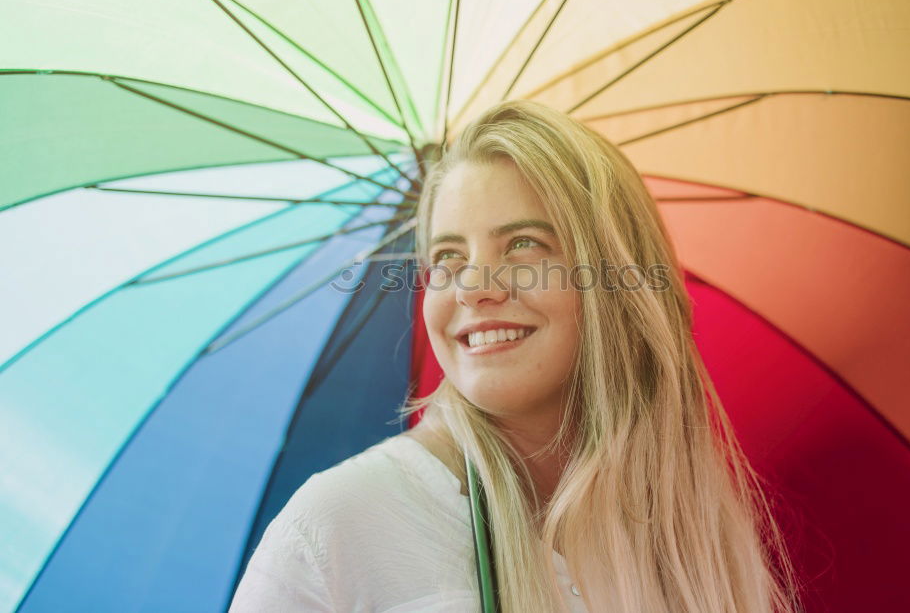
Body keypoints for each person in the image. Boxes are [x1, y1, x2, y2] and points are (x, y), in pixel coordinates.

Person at [230, 100, 800, 612]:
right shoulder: (340, 523)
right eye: (448, 257)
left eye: (522, 244)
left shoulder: (695, 539)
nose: (473, 288)